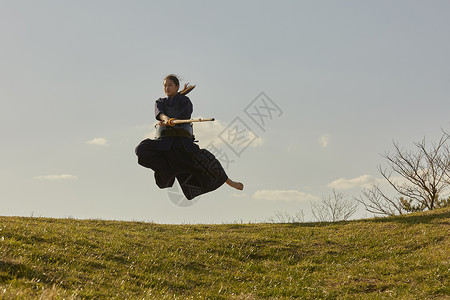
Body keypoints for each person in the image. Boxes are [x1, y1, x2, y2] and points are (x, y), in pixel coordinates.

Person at [135, 74, 244, 200]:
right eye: (165, 85)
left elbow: (184, 114)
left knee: (208, 162)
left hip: (183, 144)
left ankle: (230, 182)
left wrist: (173, 120)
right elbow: (160, 114)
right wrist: (166, 119)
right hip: (164, 143)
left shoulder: (185, 101)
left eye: (170, 85)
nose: (167, 88)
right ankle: (167, 171)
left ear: (177, 87)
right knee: (141, 149)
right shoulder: (160, 102)